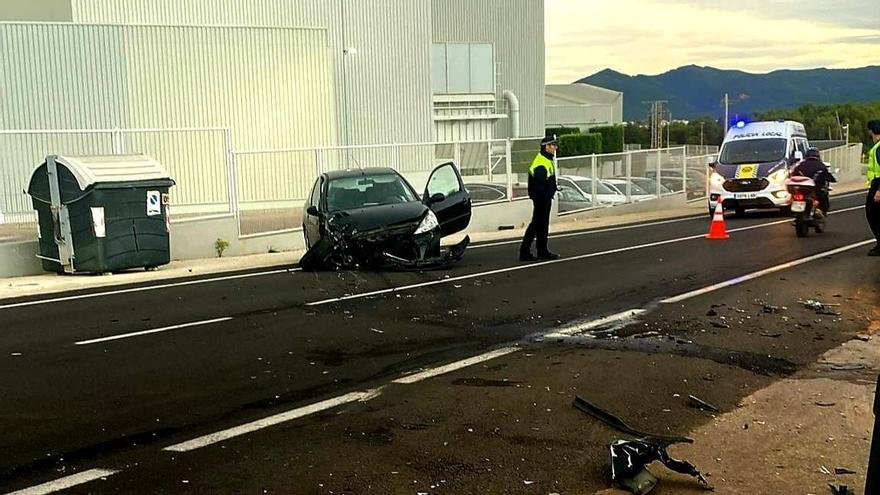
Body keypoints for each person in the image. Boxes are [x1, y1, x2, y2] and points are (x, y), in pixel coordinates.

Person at [520, 135, 561, 261]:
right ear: (546, 146)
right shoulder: (541, 163)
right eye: (553, 145)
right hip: (541, 199)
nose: (555, 147)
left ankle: (542, 250)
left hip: (545, 198)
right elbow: (539, 185)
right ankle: (525, 252)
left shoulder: (546, 160)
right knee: (536, 225)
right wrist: (545, 197)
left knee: (542, 225)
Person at [791, 147, 835, 214]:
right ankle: (821, 211)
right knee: (823, 196)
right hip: (814, 190)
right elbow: (828, 176)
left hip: (802, 190)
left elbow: (793, 175)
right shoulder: (821, 166)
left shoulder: (800, 165)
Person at [866, 120, 880, 256]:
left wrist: (879, 190)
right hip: (876, 184)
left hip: (878, 184)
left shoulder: (878, 148)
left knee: (873, 215)